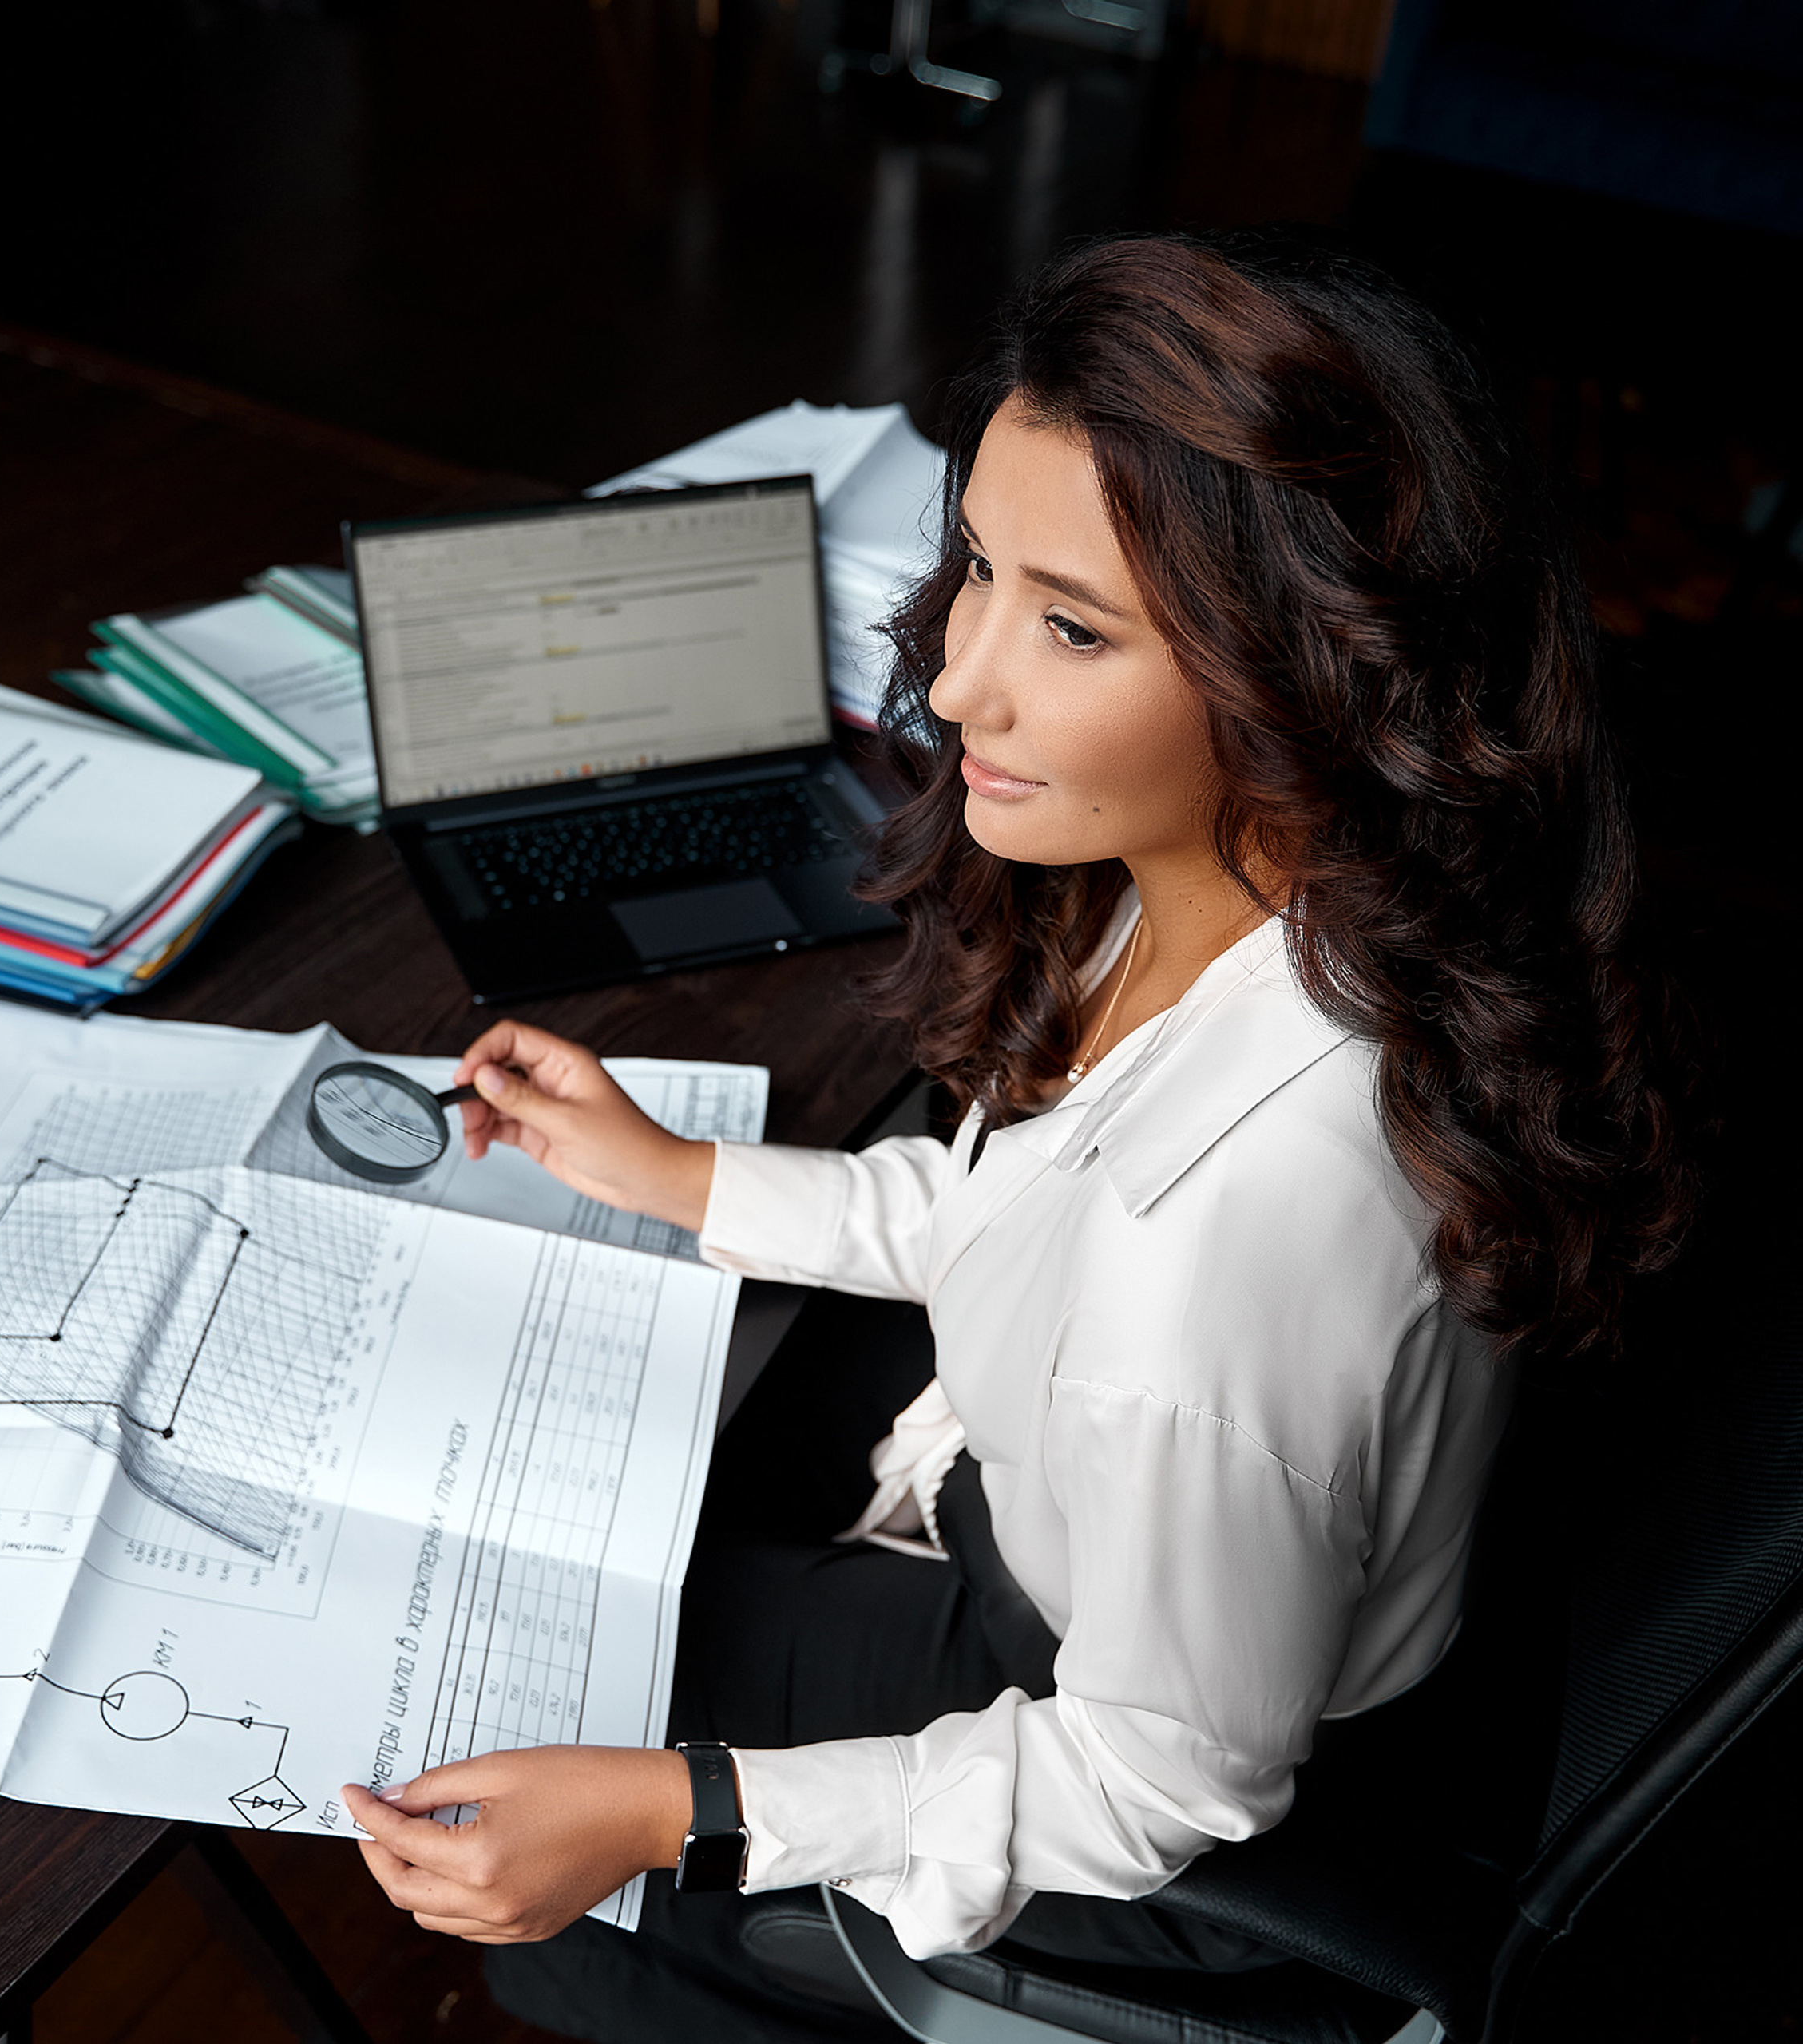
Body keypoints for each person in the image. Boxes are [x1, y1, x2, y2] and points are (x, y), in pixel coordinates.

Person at [340, 230, 1694, 2041]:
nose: (960, 681)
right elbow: (1026, 1215)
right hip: (1104, 1547)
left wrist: (681, 1809)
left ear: (1298, 665)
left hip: (1133, 1753)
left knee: (515, 1697)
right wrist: (676, 1179)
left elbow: (1155, 1779)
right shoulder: (1271, 888)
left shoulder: (1216, 1268)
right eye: (977, 566)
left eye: (1068, 625)